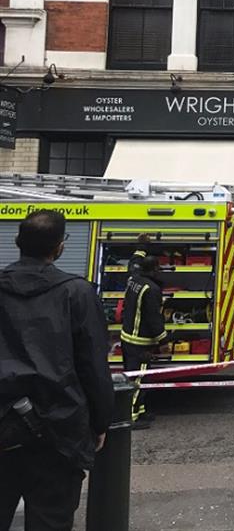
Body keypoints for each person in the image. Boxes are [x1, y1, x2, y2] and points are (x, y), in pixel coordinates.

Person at [0, 210, 113, 531]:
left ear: (17, 242)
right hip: (58, 431)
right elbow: (93, 364)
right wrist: (100, 421)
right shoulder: (77, 293)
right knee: (51, 519)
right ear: (60, 246)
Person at [119, 245, 167, 429]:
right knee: (137, 379)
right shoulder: (152, 289)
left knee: (140, 377)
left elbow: (133, 264)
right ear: (155, 269)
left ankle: (140, 410)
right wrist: (163, 340)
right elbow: (153, 318)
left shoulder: (133, 279)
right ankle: (130, 417)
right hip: (140, 343)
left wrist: (141, 248)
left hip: (128, 338)